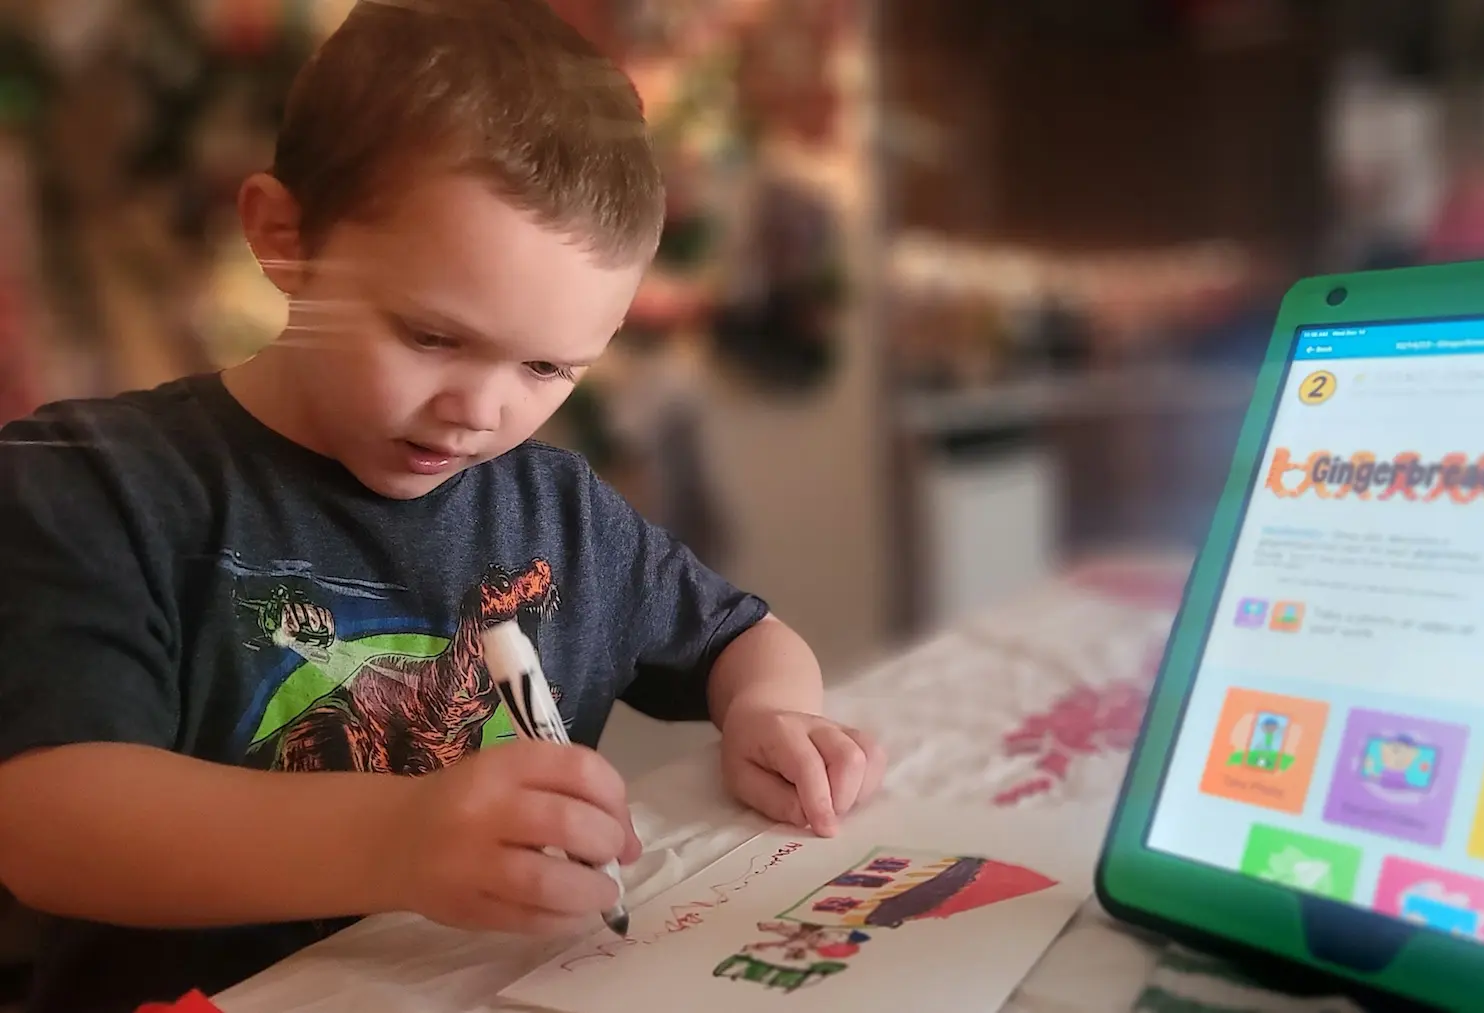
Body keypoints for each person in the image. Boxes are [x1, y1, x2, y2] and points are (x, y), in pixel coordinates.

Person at [0, 3, 886, 1011]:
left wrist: (776, 711)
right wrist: (400, 839)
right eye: (430, 336)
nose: (480, 410)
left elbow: (748, 637)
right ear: (284, 238)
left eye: (547, 364)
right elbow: (46, 821)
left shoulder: (559, 511)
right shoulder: (91, 482)